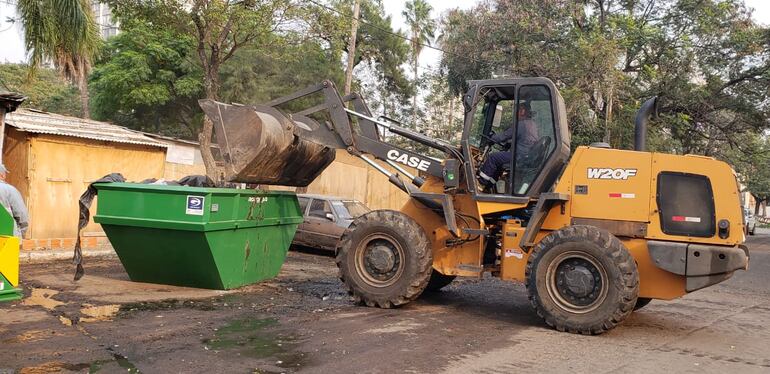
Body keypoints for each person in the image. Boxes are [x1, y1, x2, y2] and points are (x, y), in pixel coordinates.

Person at [478, 102, 539, 191]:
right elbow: (524, 139)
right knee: (499, 163)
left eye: (517, 110)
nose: (516, 112)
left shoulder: (522, 124)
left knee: (493, 158)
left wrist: (492, 137)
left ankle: (481, 183)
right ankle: (489, 186)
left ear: (522, 111)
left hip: (518, 156)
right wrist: (509, 143)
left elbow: (504, 136)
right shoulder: (532, 125)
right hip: (525, 156)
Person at [0, 164, 29, 239]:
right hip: (7, 236)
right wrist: (20, 234)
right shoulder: (10, 190)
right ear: (2, 175)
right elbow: (21, 214)